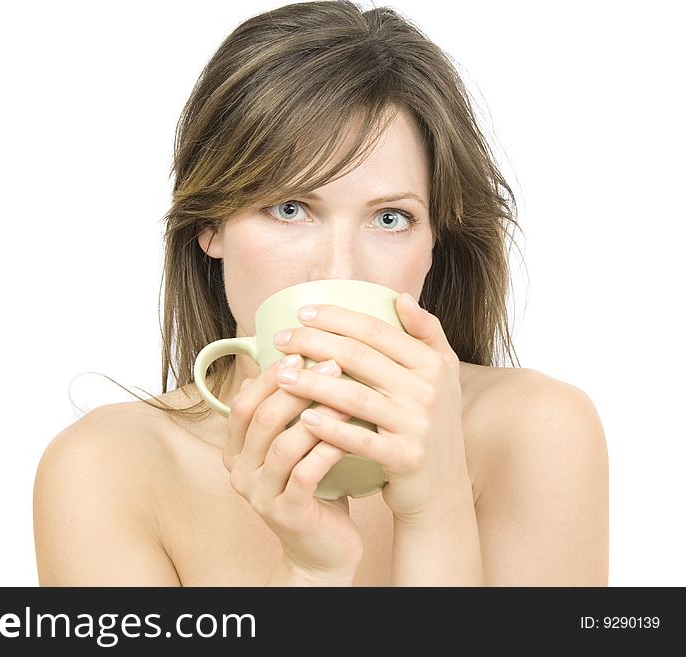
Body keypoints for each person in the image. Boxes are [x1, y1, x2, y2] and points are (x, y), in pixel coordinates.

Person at [32, 0, 608, 586]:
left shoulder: (537, 433)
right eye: (290, 209)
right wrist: (311, 572)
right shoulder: (105, 471)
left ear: (436, 239)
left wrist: (438, 512)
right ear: (210, 226)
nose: (340, 268)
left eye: (389, 219)